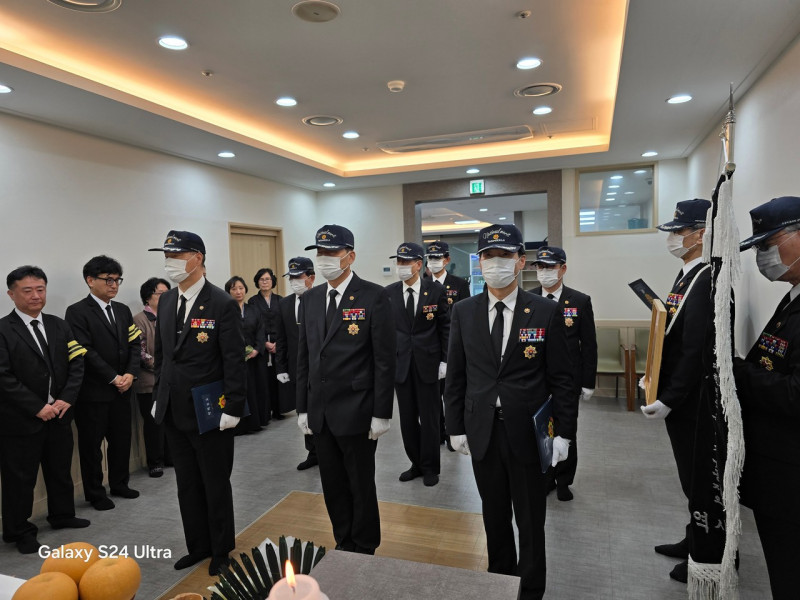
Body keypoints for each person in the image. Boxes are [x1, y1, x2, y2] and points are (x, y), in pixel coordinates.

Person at [444, 223, 574, 600]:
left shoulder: (545, 311)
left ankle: (530, 589)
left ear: (520, 261)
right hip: (482, 430)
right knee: (494, 513)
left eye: (504, 255)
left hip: (528, 433)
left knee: (531, 519)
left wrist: (564, 433)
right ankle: (499, 580)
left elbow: (562, 379)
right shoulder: (464, 311)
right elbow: (456, 375)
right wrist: (454, 427)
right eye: (488, 255)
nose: (496, 262)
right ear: (479, 261)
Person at [149, 230, 246, 576]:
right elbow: (163, 356)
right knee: (187, 483)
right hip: (173, 409)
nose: (169, 263)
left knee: (215, 482)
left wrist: (233, 406)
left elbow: (233, 359)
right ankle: (198, 545)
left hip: (209, 411)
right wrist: (159, 396)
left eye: (176, 256)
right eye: (166, 257)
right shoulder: (166, 301)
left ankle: (220, 549)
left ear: (197, 258)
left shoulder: (221, 302)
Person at [296, 224, 396, 554]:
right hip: (321, 411)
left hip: (358, 408)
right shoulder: (310, 298)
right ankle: (344, 539)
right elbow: (304, 356)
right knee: (333, 483)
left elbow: (384, 359)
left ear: (350, 256)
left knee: (360, 483)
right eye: (320, 252)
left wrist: (382, 412)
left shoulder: (374, 296)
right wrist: (302, 407)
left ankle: (364, 544)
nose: (324, 258)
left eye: (331, 252)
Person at [641, 199, 712, 583]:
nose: (672, 238)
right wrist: (653, 377)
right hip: (681, 397)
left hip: (693, 402)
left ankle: (708, 555)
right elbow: (671, 334)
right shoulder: (687, 276)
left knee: (701, 482)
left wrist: (670, 396)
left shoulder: (705, 278)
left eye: (679, 231)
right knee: (690, 479)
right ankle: (693, 538)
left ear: (701, 234)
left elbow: (695, 348)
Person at [734, 196, 800, 599]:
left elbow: (794, 393)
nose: (763, 257)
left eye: (769, 244)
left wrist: (739, 371)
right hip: (778, 473)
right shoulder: (792, 296)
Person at [0, 266, 90, 554]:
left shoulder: (58, 325)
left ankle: (62, 514)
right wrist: (37, 406)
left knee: (60, 469)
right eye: (27, 291)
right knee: (20, 479)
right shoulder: (3, 329)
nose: (36, 296)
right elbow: (3, 376)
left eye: (40, 289)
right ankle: (19, 530)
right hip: (21, 420)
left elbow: (77, 363)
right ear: (11, 294)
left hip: (59, 413)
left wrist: (66, 399)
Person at [65, 255, 141, 511]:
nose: (114, 285)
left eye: (117, 280)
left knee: (121, 441)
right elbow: (84, 350)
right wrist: (113, 376)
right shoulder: (76, 312)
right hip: (93, 392)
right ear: (90, 280)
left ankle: (120, 484)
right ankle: (95, 493)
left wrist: (130, 373)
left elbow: (134, 344)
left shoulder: (122, 310)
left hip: (123, 389)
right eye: (108, 280)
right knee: (92, 446)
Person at [531, 246, 597, 501]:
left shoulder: (579, 301)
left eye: (550, 267)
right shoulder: (529, 299)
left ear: (563, 269)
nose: (544, 272)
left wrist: (588, 381)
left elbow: (588, 344)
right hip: (538, 378)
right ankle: (546, 476)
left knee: (566, 428)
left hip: (568, 379)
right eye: (540, 267)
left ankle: (564, 480)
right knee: (543, 430)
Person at [386, 242, 449, 487]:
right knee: (407, 419)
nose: (401, 266)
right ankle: (416, 463)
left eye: (406, 262)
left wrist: (445, 360)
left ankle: (431, 466)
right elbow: (384, 331)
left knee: (430, 418)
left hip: (428, 364)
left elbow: (445, 327)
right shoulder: (389, 293)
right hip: (401, 365)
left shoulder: (435, 290)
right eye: (398, 262)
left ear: (418, 264)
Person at [424, 240, 471, 450]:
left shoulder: (459, 284)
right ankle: (439, 433)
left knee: (452, 392)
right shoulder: (423, 284)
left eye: (437, 258)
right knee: (432, 396)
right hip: (430, 347)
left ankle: (454, 430)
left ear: (446, 259)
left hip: (454, 345)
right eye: (430, 258)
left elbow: (467, 316)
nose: (433, 261)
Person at [274, 257, 318, 470]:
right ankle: (312, 451)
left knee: (321, 408)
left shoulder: (322, 299)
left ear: (311, 278)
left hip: (320, 365)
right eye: (291, 278)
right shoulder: (284, 304)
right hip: (296, 366)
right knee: (303, 409)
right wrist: (281, 367)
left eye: (298, 277)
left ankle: (327, 449)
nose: (294, 282)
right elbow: (281, 338)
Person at [133, 277, 171, 477]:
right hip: (149, 381)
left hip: (169, 379)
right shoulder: (139, 319)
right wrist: (163, 365)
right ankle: (155, 462)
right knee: (153, 423)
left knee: (170, 421)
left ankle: (170, 457)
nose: (165, 297)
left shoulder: (170, 316)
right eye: (160, 293)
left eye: (168, 294)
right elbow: (139, 353)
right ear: (148, 297)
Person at [225, 275, 265, 434]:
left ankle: (254, 423)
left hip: (253, 358)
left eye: (241, 288)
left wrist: (257, 349)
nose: (238, 292)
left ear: (245, 290)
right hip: (234, 359)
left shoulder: (253, 309)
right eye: (234, 289)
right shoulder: (225, 311)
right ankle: (238, 424)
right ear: (228, 292)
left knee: (253, 389)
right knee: (237, 390)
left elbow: (261, 331)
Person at [248, 268, 283, 423]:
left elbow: (284, 323)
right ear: (257, 282)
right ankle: (265, 411)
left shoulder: (280, 300)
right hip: (262, 343)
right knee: (264, 378)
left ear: (272, 281)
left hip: (278, 342)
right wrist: (264, 343)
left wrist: (278, 343)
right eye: (261, 279)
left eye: (267, 279)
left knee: (278, 376)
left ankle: (279, 409)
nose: (264, 282)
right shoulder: (253, 301)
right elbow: (253, 325)